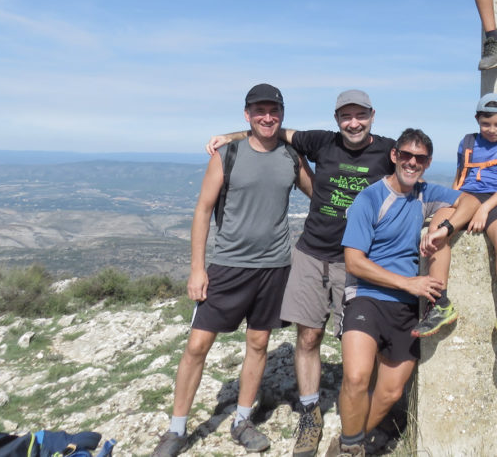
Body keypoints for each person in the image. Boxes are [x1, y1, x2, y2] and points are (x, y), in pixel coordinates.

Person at [206, 89, 394, 457]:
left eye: (360, 116)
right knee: (308, 338)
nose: (353, 123)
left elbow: (413, 173)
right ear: (337, 118)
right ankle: (310, 413)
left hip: (356, 259)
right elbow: (271, 130)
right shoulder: (322, 142)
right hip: (311, 254)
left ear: (372, 115)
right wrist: (230, 136)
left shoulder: (388, 150)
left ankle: (367, 417)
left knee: (359, 341)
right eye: (346, 116)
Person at [153, 84, 313, 457]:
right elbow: (202, 211)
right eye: (259, 110)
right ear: (247, 114)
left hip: (274, 266)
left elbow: (320, 194)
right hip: (227, 265)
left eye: (273, 110)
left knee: (258, 343)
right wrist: (197, 268)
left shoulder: (292, 156)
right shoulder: (229, 154)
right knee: (197, 345)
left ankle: (242, 421)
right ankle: (177, 429)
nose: (267, 117)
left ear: (282, 113)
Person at [330, 129, 478, 457]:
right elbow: (354, 261)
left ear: (427, 163)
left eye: (421, 158)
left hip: (407, 306)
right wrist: (408, 283)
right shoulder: (369, 199)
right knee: (356, 377)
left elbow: (469, 201)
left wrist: (444, 228)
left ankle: (348, 442)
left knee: (390, 391)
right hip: (367, 295)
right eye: (407, 155)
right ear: (394, 156)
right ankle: (352, 447)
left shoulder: (424, 193)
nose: (413, 163)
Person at [411, 93, 497, 351]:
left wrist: (484, 208)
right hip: (464, 196)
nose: (492, 130)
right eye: (486, 124)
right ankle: (439, 303)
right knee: (437, 230)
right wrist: (451, 205)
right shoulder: (467, 143)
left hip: (495, 199)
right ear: (477, 120)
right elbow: (459, 178)